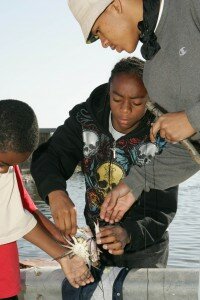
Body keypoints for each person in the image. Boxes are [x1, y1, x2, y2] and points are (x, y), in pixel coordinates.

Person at [31, 57, 178, 298]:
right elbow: (49, 156)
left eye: (137, 102)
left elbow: (163, 211)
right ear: (109, 92)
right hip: (94, 249)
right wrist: (55, 192)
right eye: (117, 99)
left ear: (149, 100)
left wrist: (128, 232)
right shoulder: (84, 118)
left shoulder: (163, 133)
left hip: (146, 252)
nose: (125, 110)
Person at [67, 0, 200, 225]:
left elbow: (190, 123)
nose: (103, 43)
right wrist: (133, 184)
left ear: (115, 5)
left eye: (98, 31)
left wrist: (193, 119)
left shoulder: (189, 5)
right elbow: (189, 153)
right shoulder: (152, 76)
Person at [0, 99, 94, 299]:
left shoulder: (5, 160)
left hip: (4, 277)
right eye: (3, 163)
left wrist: (61, 238)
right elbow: (12, 221)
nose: (4, 170)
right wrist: (63, 255)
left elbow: (23, 208)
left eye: (11, 165)